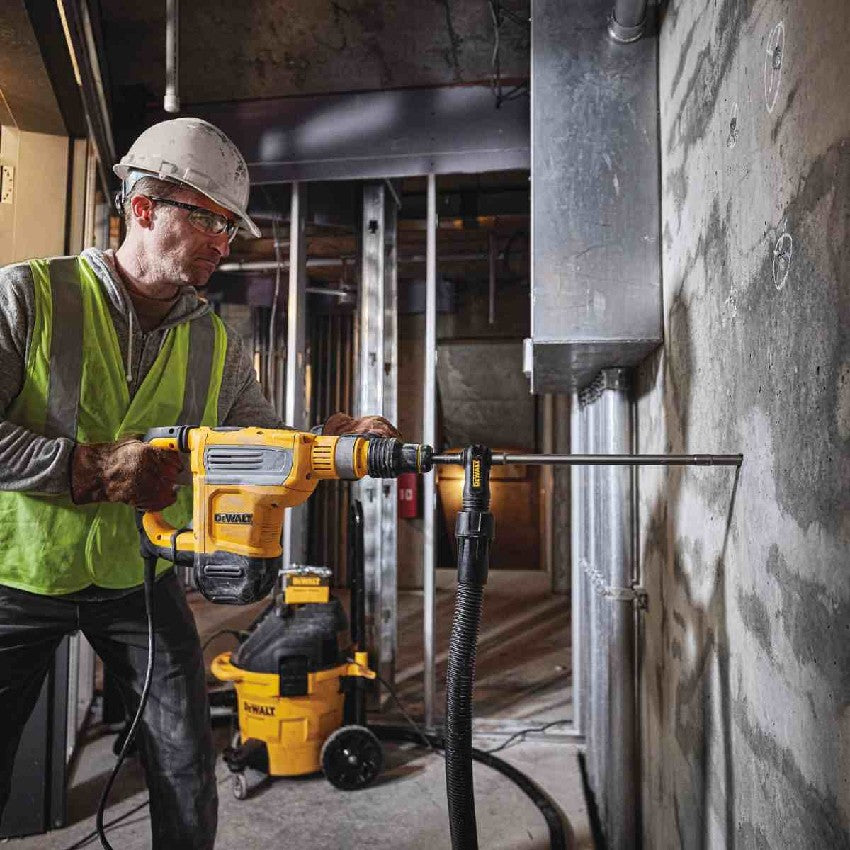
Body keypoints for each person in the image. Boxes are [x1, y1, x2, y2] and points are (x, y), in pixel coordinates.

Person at [0, 117, 397, 849]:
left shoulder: (216, 342)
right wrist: (86, 468)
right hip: (15, 576)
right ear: (143, 208)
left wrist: (329, 447)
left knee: (185, 763)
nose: (226, 241)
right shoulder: (27, 296)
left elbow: (260, 448)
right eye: (211, 220)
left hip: (139, 577)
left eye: (231, 227)